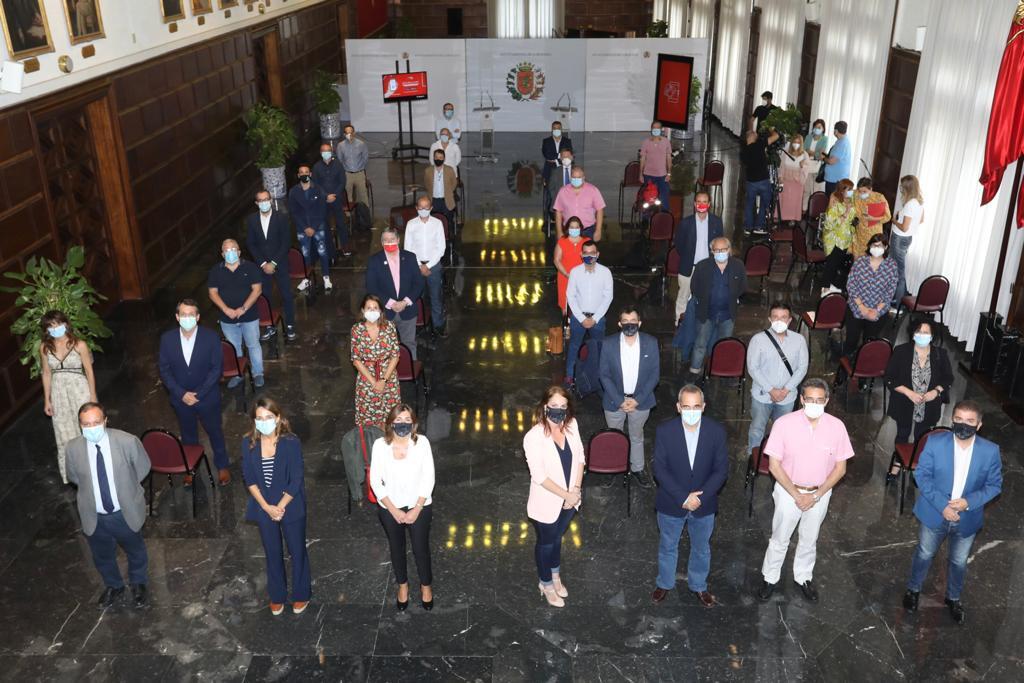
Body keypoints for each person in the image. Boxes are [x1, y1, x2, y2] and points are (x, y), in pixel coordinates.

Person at [901, 400, 1002, 625]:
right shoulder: (936, 443)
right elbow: (922, 475)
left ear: (979, 424)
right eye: (958, 420)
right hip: (935, 512)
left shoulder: (990, 451)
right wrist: (943, 506)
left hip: (967, 517)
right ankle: (913, 589)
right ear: (952, 419)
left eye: (969, 421)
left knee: (958, 561)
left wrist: (967, 502)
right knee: (925, 553)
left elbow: (995, 485)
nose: (963, 425)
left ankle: (953, 598)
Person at [757, 378, 854, 603]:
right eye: (809, 399)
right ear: (801, 399)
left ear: (827, 401)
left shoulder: (837, 426)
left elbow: (840, 469)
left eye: (819, 400)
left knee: (810, 538)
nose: (814, 403)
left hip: (820, 493)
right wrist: (796, 494)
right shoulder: (783, 424)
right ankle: (770, 578)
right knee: (780, 537)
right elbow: (774, 465)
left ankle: (803, 577)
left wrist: (816, 495)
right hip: (787, 492)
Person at [66, 402, 151, 609]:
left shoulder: (127, 442)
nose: (91, 427)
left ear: (105, 421)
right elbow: (74, 477)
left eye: (96, 422)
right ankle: (114, 585)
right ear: (80, 425)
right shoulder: (73, 448)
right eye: (86, 424)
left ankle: (138, 583)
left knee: (135, 549)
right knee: (102, 555)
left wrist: (126, 489)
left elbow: (143, 468)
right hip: (94, 515)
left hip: (124, 511)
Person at [651, 384, 728, 608]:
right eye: (686, 406)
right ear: (678, 407)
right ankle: (664, 583)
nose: (691, 411)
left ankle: (699, 585)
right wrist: (684, 497)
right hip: (672, 501)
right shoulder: (665, 431)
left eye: (696, 406)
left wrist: (699, 498)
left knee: (701, 547)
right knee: (667, 545)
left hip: (704, 503)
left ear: (703, 407)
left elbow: (721, 470)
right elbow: (660, 469)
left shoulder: (716, 431)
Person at [241, 397, 311, 615]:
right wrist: (266, 506)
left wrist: (279, 506)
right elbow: (249, 478)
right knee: (272, 552)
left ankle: (301, 594)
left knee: (297, 550)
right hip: (264, 507)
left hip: (290, 504)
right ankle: (277, 595)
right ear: (254, 421)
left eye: (269, 417)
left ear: (278, 418)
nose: (264, 422)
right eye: (259, 418)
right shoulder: (248, 443)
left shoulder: (290, 442)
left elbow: (296, 478)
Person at [524, 385, 585, 608]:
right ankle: (546, 583)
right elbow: (539, 476)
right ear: (544, 407)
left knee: (557, 539)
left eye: (563, 406)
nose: (558, 411)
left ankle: (556, 574)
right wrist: (566, 495)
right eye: (554, 406)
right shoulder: (533, 437)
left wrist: (575, 490)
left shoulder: (572, 425)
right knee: (546, 543)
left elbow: (580, 458)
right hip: (548, 502)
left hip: (571, 498)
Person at [370, 403, 436, 611]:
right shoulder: (380, 445)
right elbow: (375, 481)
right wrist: (393, 509)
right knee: (396, 547)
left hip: (419, 505)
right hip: (390, 506)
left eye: (407, 421)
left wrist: (417, 508)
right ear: (390, 423)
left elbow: (429, 477)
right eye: (398, 420)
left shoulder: (422, 443)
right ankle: (403, 586)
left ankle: (426, 586)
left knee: (420, 548)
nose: (403, 424)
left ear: (414, 423)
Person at [157, 299, 231, 485]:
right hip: (180, 398)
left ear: (198, 317)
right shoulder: (167, 339)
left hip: (207, 397)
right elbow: (164, 370)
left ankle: (222, 466)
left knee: (215, 431)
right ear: (177, 317)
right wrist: (181, 393)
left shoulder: (211, 337)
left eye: (191, 315)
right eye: (183, 314)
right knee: (188, 433)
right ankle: (191, 467)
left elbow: (216, 369)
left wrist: (198, 394)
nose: (187, 318)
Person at [599, 306, 660, 489]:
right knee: (614, 436)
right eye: (625, 322)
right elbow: (604, 375)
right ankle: (612, 469)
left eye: (633, 321)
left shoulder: (651, 342)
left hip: (640, 401)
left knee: (637, 436)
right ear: (619, 324)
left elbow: (654, 376)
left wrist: (637, 400)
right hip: (614, 400)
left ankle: (638, 468)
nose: (629, 325)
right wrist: (619, 400)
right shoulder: (608, 344)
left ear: (639, 323)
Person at [40, 311, 97, 484]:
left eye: (58, 324)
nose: (55, 328)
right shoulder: (44, 347)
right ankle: (72, 474)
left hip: (79, 389)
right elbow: (46, 373)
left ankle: (95, 469)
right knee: (63, 432)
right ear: (46, 329)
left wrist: (93, 395)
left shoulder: (79, 345)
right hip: (58, 392)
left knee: (86, 428)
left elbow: (89, 371)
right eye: (51, 326)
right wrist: (47, 399)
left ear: (66, 323)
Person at [746, 303, 808, 456]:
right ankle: (753, 456)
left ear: (789, 320)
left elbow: (802, 368)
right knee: (757, 428)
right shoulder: (758, 340)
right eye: (775, 317)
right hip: (762, 395)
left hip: (787, 397)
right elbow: (753, 368)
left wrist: (785, 390)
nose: (779, 320)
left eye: (783, 317)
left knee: (782, 432)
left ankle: (777, 458)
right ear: (769, 319)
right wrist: (771, 390)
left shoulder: (799, 340)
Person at [884, 319, 953, 450]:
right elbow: (889, 378)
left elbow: (948, 378)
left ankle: (918, 462)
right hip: (903, 402)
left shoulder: (940, 354)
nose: (922, 335)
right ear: (913, 334)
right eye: (919, 331)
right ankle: (898, 461)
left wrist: (936, 391)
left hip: (929, 406)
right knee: (902, 434)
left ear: (932, 336)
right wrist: (909, 393)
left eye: (926, 332)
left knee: (922, 438)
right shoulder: (901, 351)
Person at [207, 239, 265, 389]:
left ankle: (258, 373)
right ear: (222, 254)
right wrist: (226, 309)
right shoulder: (215, 271)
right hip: (227, 318)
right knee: (234, 347)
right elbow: (212, 293)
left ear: (239, 252)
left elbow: (257, 290)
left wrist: (243, 309)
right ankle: (238, 374)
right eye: (227, 250)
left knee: (253, 344)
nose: (230, 252)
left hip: (249, 315)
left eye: (234, 249)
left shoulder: (250, 268)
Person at [688, 237, 747, 378]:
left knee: (724, 345)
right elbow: (694, 287)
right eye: (717, 250)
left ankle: (720, 371)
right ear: (712, 251)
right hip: (706, 313)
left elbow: (743, 286)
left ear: (729, 250)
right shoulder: (702, 266)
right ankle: (694, 371)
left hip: (727, 314)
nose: (721, 252)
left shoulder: (738, 265)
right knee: (700, 344)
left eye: (724, 249)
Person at [365, 228, 424, 360]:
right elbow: (371, 287)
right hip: (385, 312)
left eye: (392, 240)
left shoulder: (410, 257)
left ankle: (411, 372)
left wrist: (405, 302)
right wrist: (391, 303)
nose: (389, 243)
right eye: (385, 240)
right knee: (384, 346)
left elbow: (418, 283)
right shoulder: (374, 260)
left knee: (409, 344)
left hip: (407, 310)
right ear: (381, 243)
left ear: (398, 240)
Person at [246, 189, 297, 341]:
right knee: (265, 296)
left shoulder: (281, 217)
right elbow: (251, 243)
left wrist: (273, 263)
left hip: (279, 263)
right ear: (257, 203)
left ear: (270, 200)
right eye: (261, 200)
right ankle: (270, 326)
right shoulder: (252, 220)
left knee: (286, 295)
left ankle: (290, 325)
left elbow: (286, 242)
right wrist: (263, 263)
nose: (264, 202)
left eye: (266, 199)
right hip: (261, 266)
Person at [842, 233, 897, 359]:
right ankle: (845, 369)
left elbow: (890, 292)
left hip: (877, 312)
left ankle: (863, 369)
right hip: (856, 308)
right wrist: (861, 307)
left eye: (880, 246)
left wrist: (876, 310)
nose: (876, 248)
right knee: (851, 341)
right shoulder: (860, 262)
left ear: (886, 247)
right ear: (869, 246)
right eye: (874, 245)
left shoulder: (891, 266)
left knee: (869, 344)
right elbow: (851, 285)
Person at [565, 241, 613, 386]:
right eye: (586, 253)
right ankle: (569, 376)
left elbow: (608, 297)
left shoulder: (605, 272)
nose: (589, 255)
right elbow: (570, 296)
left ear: (597, 255)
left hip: (597, 319)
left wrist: (595, 318)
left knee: (599, 348)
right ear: (581, 255)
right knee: (574, 347)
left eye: (592, 253)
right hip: (578, 318)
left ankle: (600, 377)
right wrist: (581, 318)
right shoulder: (575, 272)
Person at [350, 294, 401, 428]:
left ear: (380, 311)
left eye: (375, 308)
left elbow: (395, 355)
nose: (372, 311)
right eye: (368, 308)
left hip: (388, 377)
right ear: (363, 311)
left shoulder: (389, 327)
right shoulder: (357, 330)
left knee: (389, 418)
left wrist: (383, 380)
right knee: (368, 419)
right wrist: (374, 382)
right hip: (367, 379)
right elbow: (356, 360)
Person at [673, 192, 724, 323]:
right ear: (695, 204)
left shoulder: (716, 222)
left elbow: (720, 244)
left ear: (709, 204)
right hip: (688, 267)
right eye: (699, 202)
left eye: (704, 201)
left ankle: (703, 322)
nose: (702, 204)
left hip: (708, 268)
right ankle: (680, 322)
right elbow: (679, 245)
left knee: (706, 296)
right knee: (683, 295)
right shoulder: (685, 223)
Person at [405, 196, 448, 338]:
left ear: (431, 208)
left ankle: (438, 326)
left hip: (433, 265)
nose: (424, 210)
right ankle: (418, 323)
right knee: (417, 297)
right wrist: (419, 265)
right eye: (421, 207)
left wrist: (427, 265)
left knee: (436, 297)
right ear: (417, 208)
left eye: (426, 207)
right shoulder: (411, 224)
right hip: (415, 266)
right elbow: (408, 248)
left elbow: (441, 248)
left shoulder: (437, 224)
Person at [287, 164, 332, 292]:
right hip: (302, 229)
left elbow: (322, 211)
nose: (304, 174)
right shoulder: (294, 192)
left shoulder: (318, 189)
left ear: (310, 174)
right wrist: (305, 227)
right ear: (298, 175)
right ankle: (306, 278)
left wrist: (313, 227)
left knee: (322, 252)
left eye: (306, 172)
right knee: (305, 254)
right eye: (301, 172)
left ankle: (326, 277)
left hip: (318, 227)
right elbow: (294, 212)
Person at [889, 174, 924, 307]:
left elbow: (904, 227)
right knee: (895, 270)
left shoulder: (910, 204)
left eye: (902, 187)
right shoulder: (919, 203)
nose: (900, 189)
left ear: (907, 188)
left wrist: (894, 220)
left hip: (900, 239)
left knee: (899, 273)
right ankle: (899, 299)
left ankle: (898, 305)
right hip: (906, 238)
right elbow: (921, 220)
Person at [313, 142, 351, 258]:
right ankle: (330, 249)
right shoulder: (316, 167)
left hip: (337, 199)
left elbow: (342, 182)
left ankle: (345, 246)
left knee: (341, 224)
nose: (326, 153)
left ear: (331, 152)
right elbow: (315, 184)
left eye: (328, 150)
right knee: (325, 225)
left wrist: (334, 195)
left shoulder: (338, 165)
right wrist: (326, 196)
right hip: (323, 201)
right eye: (324, 151)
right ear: (320, 153)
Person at [819, 179, 856, 296]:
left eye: (852, 189)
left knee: (837, 264)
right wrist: (845, 214)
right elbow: (829, 224)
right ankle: (825, 288)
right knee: (831, 264)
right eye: (849, 190)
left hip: (845, 239)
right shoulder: (835, 203)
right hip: (834, 239)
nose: (851, 192)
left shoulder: (851, 202)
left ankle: (831, 285)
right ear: (842, 190)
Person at [740, 128, 780, 235]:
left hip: (751, 182)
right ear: (752, 136)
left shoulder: (743, 151)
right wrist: (772, 130)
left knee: (749, 204)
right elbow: (776, 136)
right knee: (764, 203)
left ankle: (748, 227)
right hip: (763, 181)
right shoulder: (759, 145)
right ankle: (759, 226)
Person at [553, 166, 606, 241]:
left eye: (579, 177)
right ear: (570, 178)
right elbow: (558, 211)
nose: (576, 179)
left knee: (587, 252)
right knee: (568, 252)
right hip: (568, 231)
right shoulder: (563, 191)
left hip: (588, 231)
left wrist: (598, 230)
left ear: (583, 178)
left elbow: (600, 210)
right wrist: (559, 232)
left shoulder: (593, 190)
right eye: (574, 177)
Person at [850, 177, 891, 258]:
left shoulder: (879, 198)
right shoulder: (856, 194)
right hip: (860, 233)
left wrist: (873, 219)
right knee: (858, 258)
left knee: (871, 258)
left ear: (871, 189)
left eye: (864, 191)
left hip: (873, 234)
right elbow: (843, 192)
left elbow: (888, 217)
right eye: (860, 191)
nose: (861, 194)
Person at [553, 215, 586, 314]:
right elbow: (556, 260)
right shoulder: (562, 241)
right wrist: (567, 274)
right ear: (567, 228)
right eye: (572, 227)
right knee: (565, 305)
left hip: (582, 278)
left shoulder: (587, 241)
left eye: (577, 227)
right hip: (565, 277)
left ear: (580, 228)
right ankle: (566, 325)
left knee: (582, 302)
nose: (574, 229)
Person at [337, 124, 370, 216]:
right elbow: (340, 159)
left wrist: (360, 167)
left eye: (351, 133)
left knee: (363, 195)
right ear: (344, 134)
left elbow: (365, 158)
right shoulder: (340, 146)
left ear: (354, 133)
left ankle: (365, 214)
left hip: (359, 173)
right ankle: (349, 216)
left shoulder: (361, 144)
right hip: (347, 174)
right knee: (348, 195)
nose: (349, 135)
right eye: (347, 133)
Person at [639, 120, 673, 210]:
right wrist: (640, 174)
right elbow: (642, 158)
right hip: (648, 175)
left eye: (658, 128)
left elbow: (669, 158)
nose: (656, 130)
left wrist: (669, 173)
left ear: (661, 129)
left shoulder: (666, 142)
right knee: (648, 198)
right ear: (651, 129)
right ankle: (646, 218)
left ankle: (665, 216)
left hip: (662, 175)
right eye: (654, 128)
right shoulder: (646, 142)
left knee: (664, 197)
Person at [778, 133, 811, 223]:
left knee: (794, 201)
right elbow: (782, 166)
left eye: (798, 142)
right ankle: (781, 217)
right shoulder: (786, 153)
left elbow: (807, 168)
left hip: (797, 182)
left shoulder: (804, 155)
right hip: (786, 180)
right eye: (794, 142)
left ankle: (792, 218)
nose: (796, 144)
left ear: (801, 144)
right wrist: (780, 177)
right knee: (784, 200)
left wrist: (801, 166)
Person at [424, 148, 457, 230]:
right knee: (433, 223)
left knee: (448, 222)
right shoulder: (428, 171)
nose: (438, 159)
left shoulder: (450, 170)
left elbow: (454, 184)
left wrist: (448, 192)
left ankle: (449, 240)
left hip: (446, 201)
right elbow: (426, 184)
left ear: (444, 159)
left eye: (440, 157)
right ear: (433, 158)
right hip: (433, 201)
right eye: (436, 157)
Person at [822, 120, 851, 196]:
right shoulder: (841, 141)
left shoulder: (842, 143)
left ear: (836, 131)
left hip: (836, 181)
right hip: (835, 179)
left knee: (832, 204)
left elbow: (832, 161)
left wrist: (823, 158)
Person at [541, 121, 573, 185]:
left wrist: (555, 160)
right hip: (549, 170)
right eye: (554, 128)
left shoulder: (567, 141)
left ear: (561, 129)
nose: (556, 130)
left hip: (563, 169)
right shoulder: (546, 141)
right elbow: (547, 155)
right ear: (552, 130)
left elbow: (569, 156)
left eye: (558, 128)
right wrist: (561, 155)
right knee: (549, 190)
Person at [805, 118, 830, 197]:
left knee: (815, 191)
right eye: (816, 127)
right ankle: (804, 209)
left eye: (819, 127)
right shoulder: (808, 137)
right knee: (806, 190)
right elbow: (804, 150)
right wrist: (815, 153)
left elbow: (821, 155)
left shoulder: (824, 139)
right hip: (807, 164)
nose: (817, 129)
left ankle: (813, 208)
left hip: (817, 166)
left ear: (823, 129)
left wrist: (811, 152)